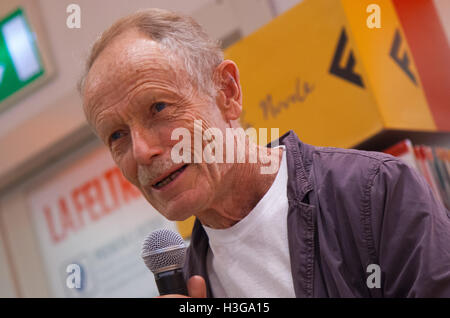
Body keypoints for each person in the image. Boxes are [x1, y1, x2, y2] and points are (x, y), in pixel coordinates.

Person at [79, 8, 450, 297]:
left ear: (226, 92)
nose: (142, 151)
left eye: (158, 108)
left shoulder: (372, 192)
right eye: (117, 136)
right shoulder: (191, 283)